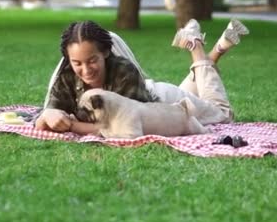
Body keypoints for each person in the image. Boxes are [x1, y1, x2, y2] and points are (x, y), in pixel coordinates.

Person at [34, 18, 249, 135]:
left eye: (92, 61)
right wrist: (49, 114)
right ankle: (217, 50)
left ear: (106, 53)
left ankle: (196, 47)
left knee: (222, 114)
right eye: (77, 63)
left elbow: (116, 130)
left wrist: (72, 126)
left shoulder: (123, 71)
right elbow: (43, 117)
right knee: (202, 95)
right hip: (158, 100)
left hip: (166, 101)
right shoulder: (67, 76)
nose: (86, 70)